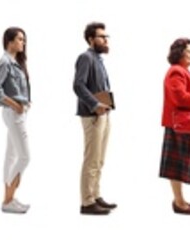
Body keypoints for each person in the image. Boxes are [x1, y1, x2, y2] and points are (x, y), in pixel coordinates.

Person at [159, 38, 190, 215]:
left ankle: (180, 200)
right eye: (188, 51)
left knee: (178, 165)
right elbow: (180, 98)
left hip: (185, 124)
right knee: (177, 166)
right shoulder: (176, 72)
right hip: (179, 125)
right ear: (179, 54)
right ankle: (178, 202)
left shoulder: (183, 71)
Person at [73, 22, 118, 215]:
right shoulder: (85, 57)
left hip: (104, 114)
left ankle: (96, 195)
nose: (105, 40)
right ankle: (87, 202)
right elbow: (78, 85)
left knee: (99, 159)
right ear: (91, 39)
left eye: (106, 36)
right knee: (91, 159)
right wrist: (95, 104)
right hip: (92, 115)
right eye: (101, 37)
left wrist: (105, 106)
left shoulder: (98, 59)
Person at [0, 27, 33, 214]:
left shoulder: (15, 62)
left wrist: (24, 103)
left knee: (12, 156)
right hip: (13, 114)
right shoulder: (4, 62)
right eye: (20, 39)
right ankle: (8, 199)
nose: (23, 42)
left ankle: (8, 199)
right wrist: (15, 104)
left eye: (24, 39)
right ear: (9, 41)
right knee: (25, 157)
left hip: (18, 113)